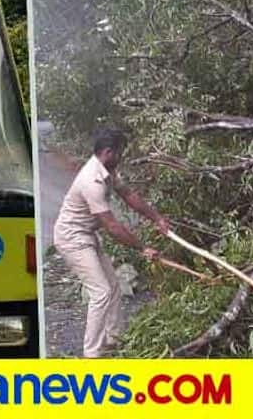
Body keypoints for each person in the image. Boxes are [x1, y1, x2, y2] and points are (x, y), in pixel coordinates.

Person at [53, 128, 170, 358]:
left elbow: (129, 195)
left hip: (87, 236)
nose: (122, 157)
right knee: (101, 292)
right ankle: (92, 355)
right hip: (71, 238)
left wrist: (158, 218)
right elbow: (113, 227)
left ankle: (114, 340)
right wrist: (143, 248)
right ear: (108, 152)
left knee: (113, 285)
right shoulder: (91, 180)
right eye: (120, 152)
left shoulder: (108, 170)